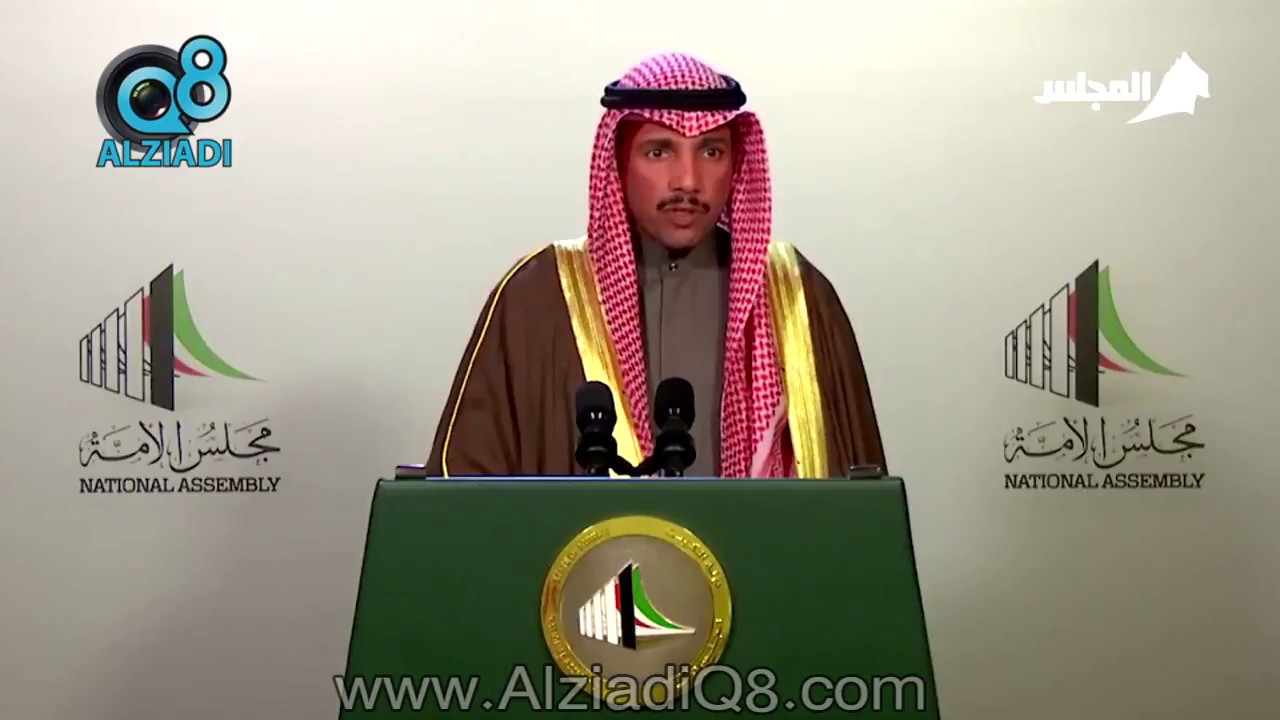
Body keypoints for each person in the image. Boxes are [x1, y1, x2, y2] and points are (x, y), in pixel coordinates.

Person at [425, 52, 886, 479]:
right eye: (659, 152)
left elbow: (859, 492)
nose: (688, 181)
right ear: (618, 162)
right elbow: (468, 490)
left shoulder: (796, 294)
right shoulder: (539, 295)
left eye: (711, 151)